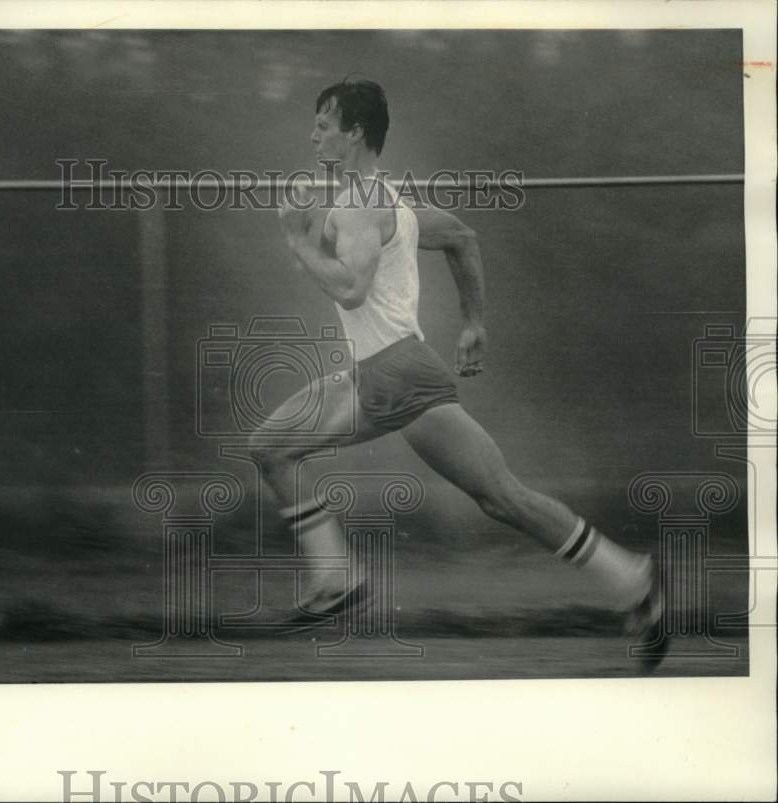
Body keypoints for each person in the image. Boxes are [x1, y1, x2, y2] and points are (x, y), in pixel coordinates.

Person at [253, 78, 666, 671]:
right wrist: (473, 322)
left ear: (355, 133)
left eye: (323, 124)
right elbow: (459, 236)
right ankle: (335, 576)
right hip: (379, 374)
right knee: (270, 447)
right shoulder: (378, 200)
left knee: (504, 499)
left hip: (400, 377)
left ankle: (631, 577)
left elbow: (350, 289)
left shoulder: (361, 205)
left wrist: (298, 241)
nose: (313, 135)